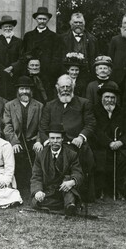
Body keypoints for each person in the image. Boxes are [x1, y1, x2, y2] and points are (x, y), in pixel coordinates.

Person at [40, 74, 96, 202]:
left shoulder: (84, 103)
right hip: (55, 144)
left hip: (76, 144)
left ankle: (79, 193)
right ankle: (53, 193)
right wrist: (49, 141)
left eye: (68, 86)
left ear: (73, 87)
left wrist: (81, 137)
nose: (65, 89)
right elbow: (42, 127)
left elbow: (90, 124)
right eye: (62, 86)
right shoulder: (49, 105)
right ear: (57, 87)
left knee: (86, 158)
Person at [92, 81, 126, 200]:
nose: (109, 100)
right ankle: (101, 189)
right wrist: (108, 142)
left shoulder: (122, 112)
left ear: (116, 99)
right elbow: (95, 130)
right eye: (106, 97)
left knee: (125, 158)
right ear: (102, 98)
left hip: (119, 145)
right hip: (101, 145)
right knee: (100, 157)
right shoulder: (94, 110)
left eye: (112, 97)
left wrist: (121, 142)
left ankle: (120, 189)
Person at [30, 124, 83, 216]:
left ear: (62, 139)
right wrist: (38, 191)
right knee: (36, 202)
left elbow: (78, 173)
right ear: (49, 139)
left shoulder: (71, 154)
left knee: (67, 179)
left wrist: (72, 182)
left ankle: (69, 205)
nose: (55, 141)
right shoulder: (41, 155)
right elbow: (36, 176)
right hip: (49, 191)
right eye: (52, 138)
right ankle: (66, 204)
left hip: (66, 189)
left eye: (58, 138)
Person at [3, 76, 44, 192]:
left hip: (33, 141)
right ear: (17, 91)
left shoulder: (39, 106)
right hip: (17, 141)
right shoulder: (9, 105)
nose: (24, 91)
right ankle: (16, 187)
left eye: (27, 89)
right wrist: (14, 142)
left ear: (31, 91)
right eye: (22, 89)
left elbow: (42, 126)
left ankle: (36, 187)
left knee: (39, 157)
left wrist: (38, 141)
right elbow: (7, 125)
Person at [20, 6, 62, 88]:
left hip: (47, 76)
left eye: (44, 19)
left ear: (48, 20)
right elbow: (23, 54)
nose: (42, 21)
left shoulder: (54, 37)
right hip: (30, 74)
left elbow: (56, 57)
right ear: (36, 19)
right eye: (40, 19)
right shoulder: (28, 36)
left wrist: (50, 72)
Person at [60, 12, 99, 82]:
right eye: (75, 22)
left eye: (80, 23)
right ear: (71, 23)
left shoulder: (92, 40)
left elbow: (94, 59)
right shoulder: (62, 39)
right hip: (67, 75)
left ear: (84, 24)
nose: (78, 25)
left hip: (86, 76)